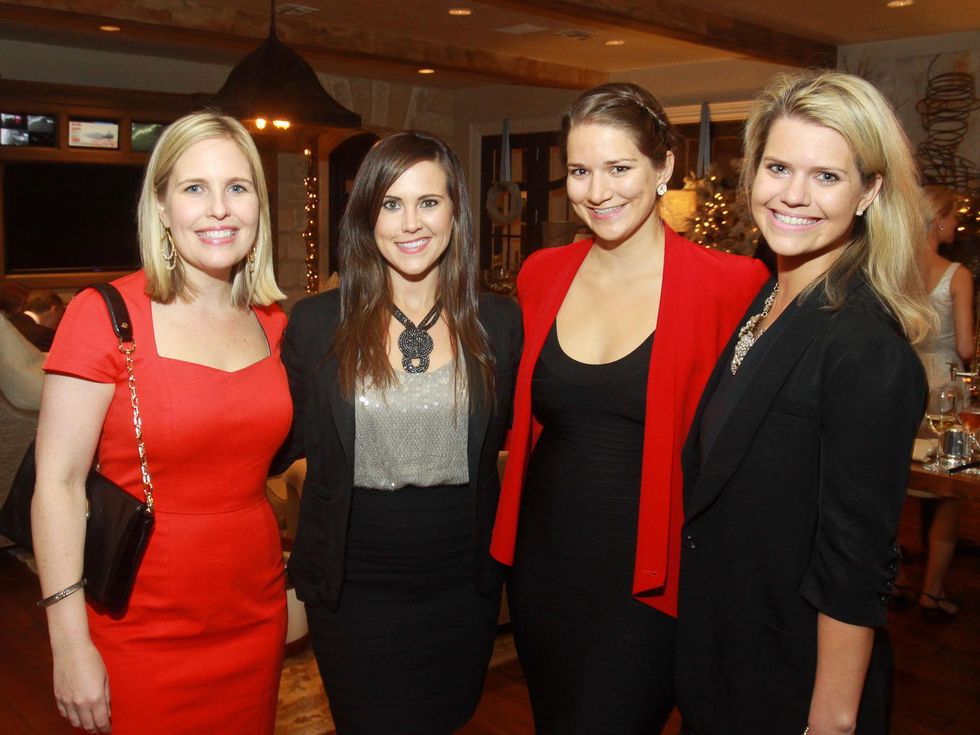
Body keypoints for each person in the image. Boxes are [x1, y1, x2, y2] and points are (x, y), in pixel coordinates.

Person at [489, 82, 769, 733]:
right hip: (544, 567)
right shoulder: (542, 273)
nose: (597, 190)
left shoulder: (731, 285)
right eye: (581, 170)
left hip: (651, 576)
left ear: (664, 166)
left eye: (620, 167)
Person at [675, 70, 931, 735]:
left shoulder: (864, 345)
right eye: (778, 166)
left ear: (871, 190)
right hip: (730, 656)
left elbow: (856, 560)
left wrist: (833, 719)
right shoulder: (772, 297)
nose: (792, 195)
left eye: (826, 176)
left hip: (794, 684)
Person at [31, 111, 290, 734]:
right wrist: (69, 645)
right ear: (163, 206)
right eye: (194, 188)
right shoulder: (104, 316)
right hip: (140, 624)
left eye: (238, 187)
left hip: (255, 614)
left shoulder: (274, 322)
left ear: (259, 204)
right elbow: (58, 487)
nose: (219, 208)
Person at [276, 130, 522, 734]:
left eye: (429, 202)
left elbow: (517, 434)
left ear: (456, 212)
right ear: (366, 217)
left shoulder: (499, 322)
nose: (411, 222)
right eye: (390, 203)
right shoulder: (313, 325)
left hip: (462, 582)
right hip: (353, 585)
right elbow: (275, 444)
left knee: (448, 718)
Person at [915, 184, 971, 618]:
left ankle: (895, 577)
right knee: (950, 491)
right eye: (953, 217)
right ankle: (932, 589)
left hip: (907, 379)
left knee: (903, 480)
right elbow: (967, 346)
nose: (957, 225)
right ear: (938, 220)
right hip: (947, 387)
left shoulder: (902, 271)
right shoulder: (958, 275)